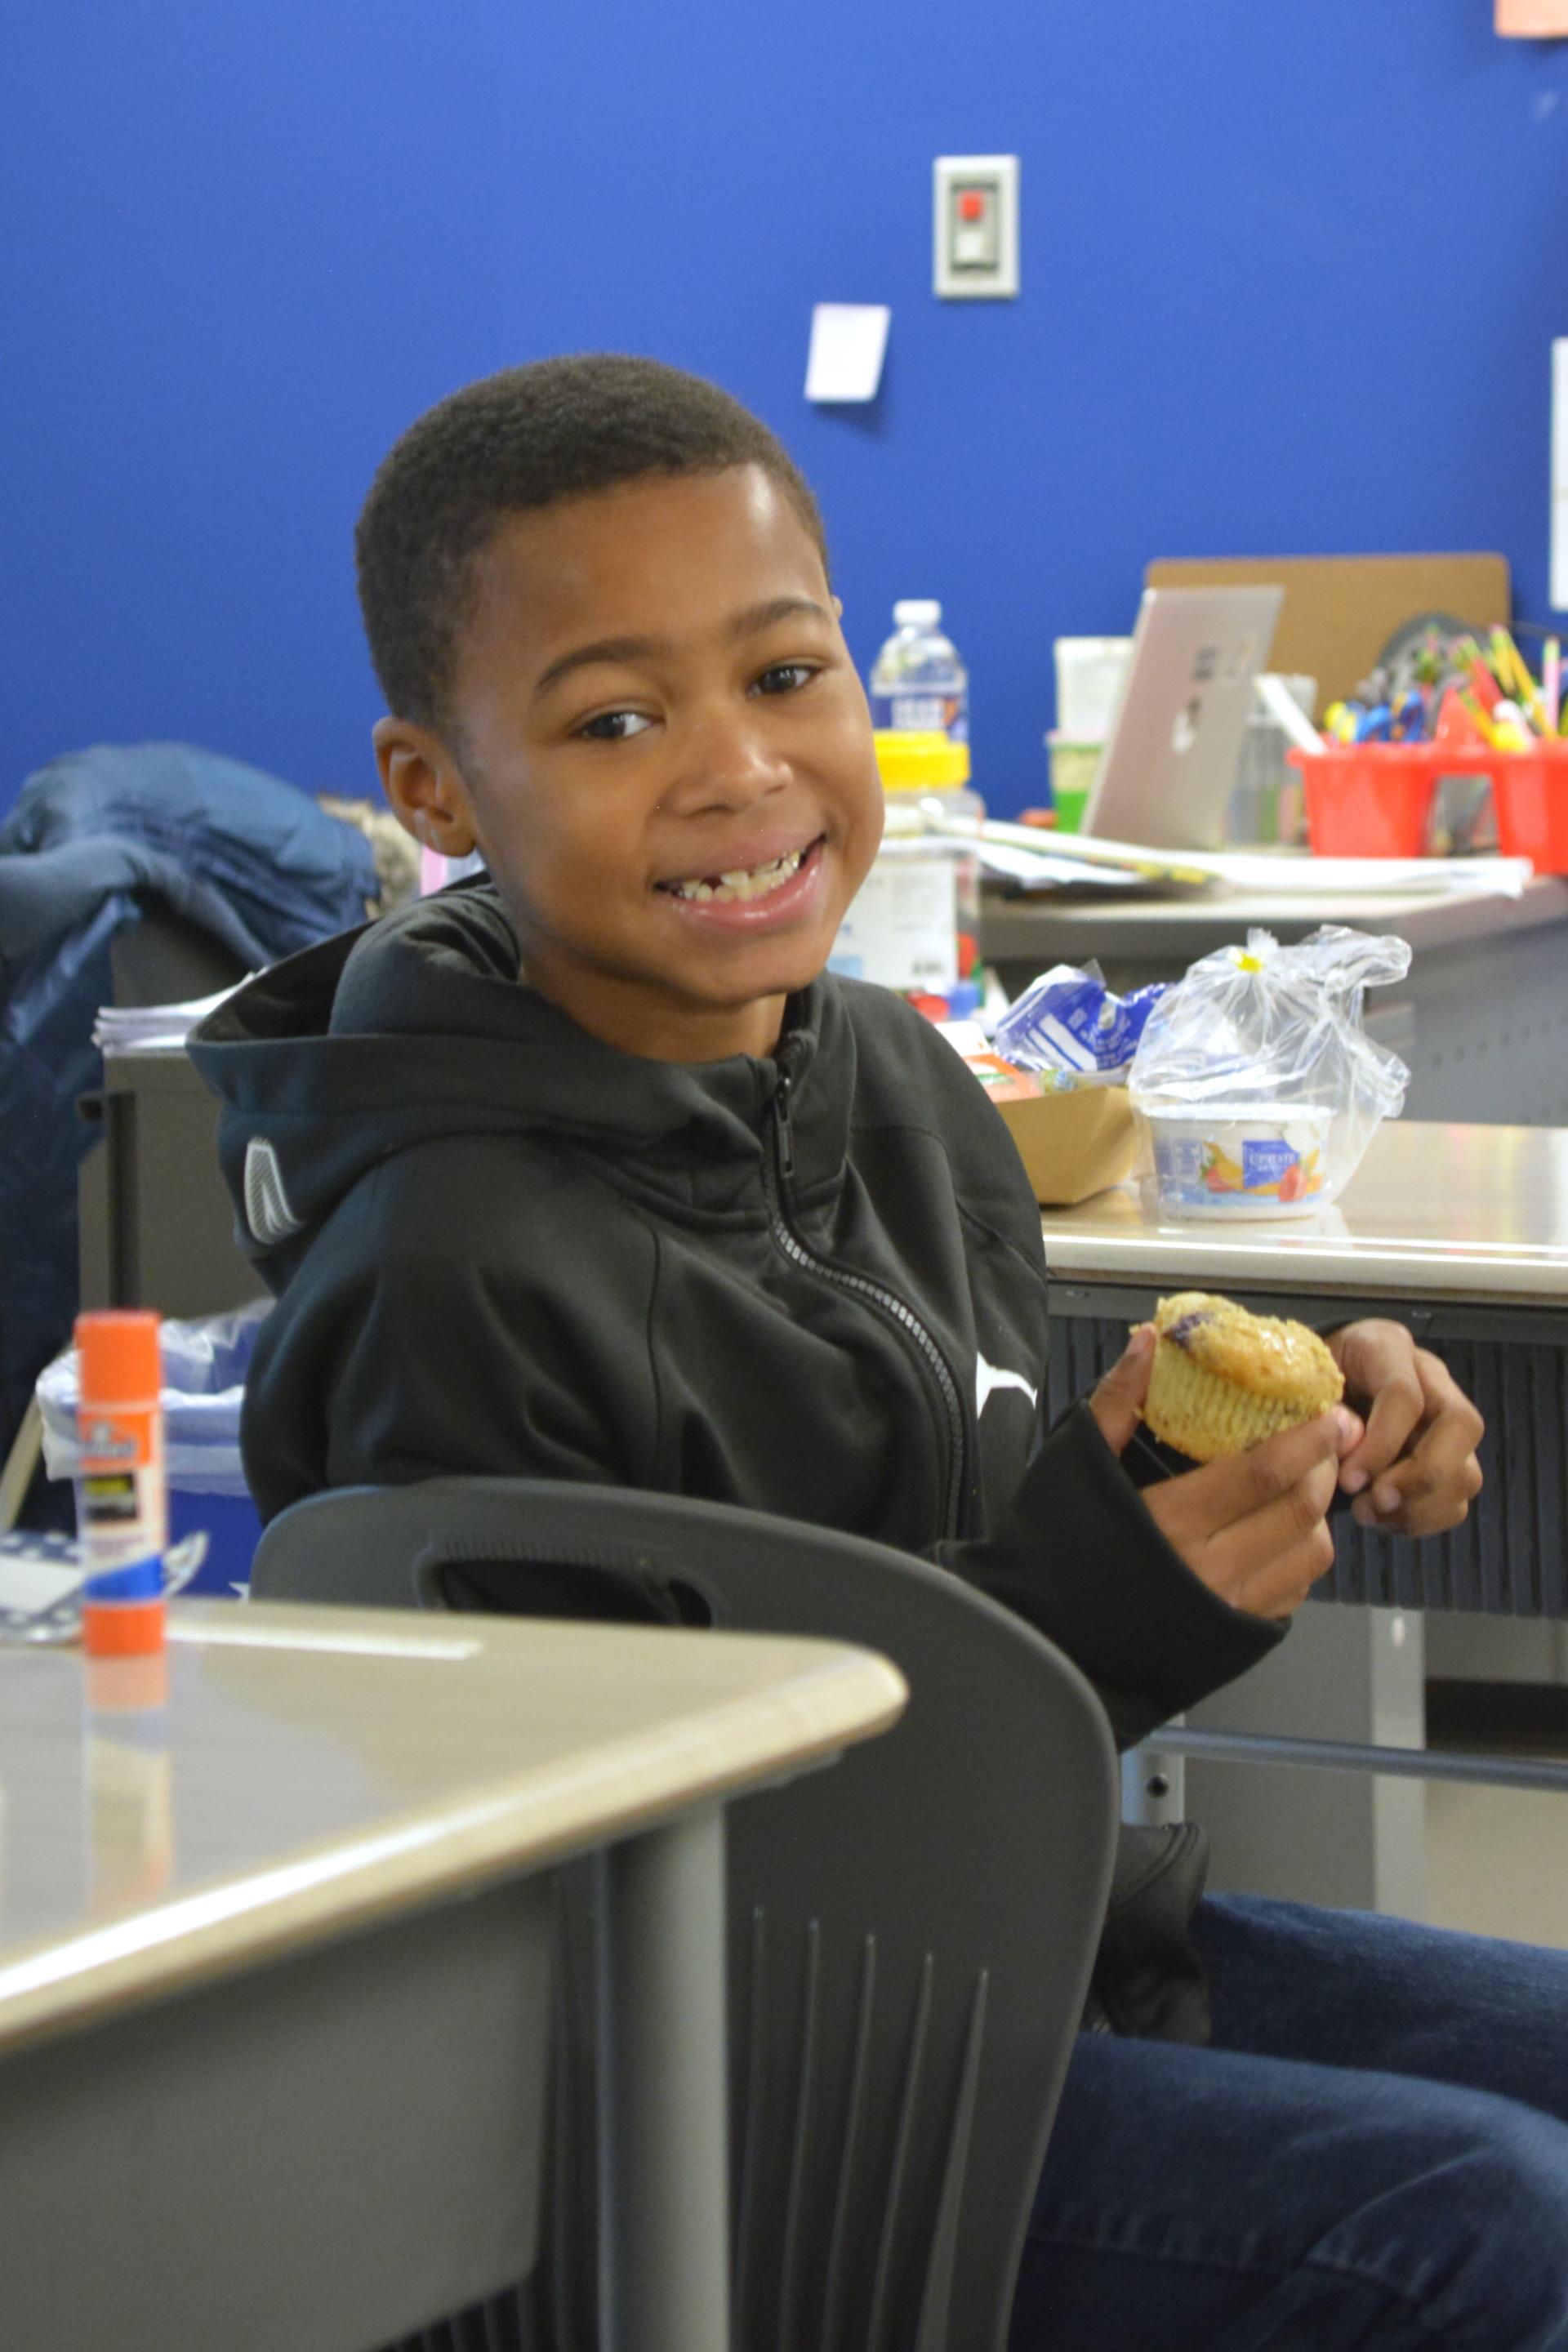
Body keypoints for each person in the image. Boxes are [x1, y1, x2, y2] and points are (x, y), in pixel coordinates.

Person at [190, 355, 1568, 2348]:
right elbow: (616, 1914)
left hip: (1028, 1952)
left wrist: (1231, 1460)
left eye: (785, 676)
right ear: (435, 787)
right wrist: (1098, 1613)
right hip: (733, 2108)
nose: (737, 771)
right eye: (614, 717)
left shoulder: (906, 1092)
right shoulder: (452, 1268)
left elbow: (975, 1524)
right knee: (1484, 2227)